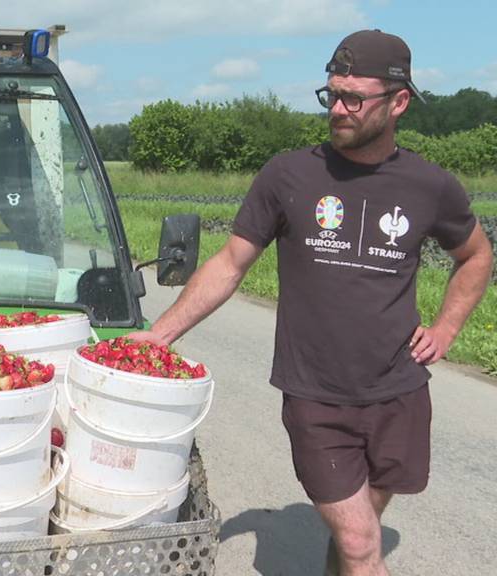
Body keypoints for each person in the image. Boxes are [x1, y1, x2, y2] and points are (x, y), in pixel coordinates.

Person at [129, 29, 493, 576]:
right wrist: (160, 335)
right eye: (332, 95)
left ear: (398, 102)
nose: (339, 109)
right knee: (362, 541)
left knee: (360, 530)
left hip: (398, 391)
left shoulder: (429, 186)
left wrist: (446, 328)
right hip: (316, 396)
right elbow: (230, 264)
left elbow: (477, 256)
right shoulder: (289, 175)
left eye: (355, 98)